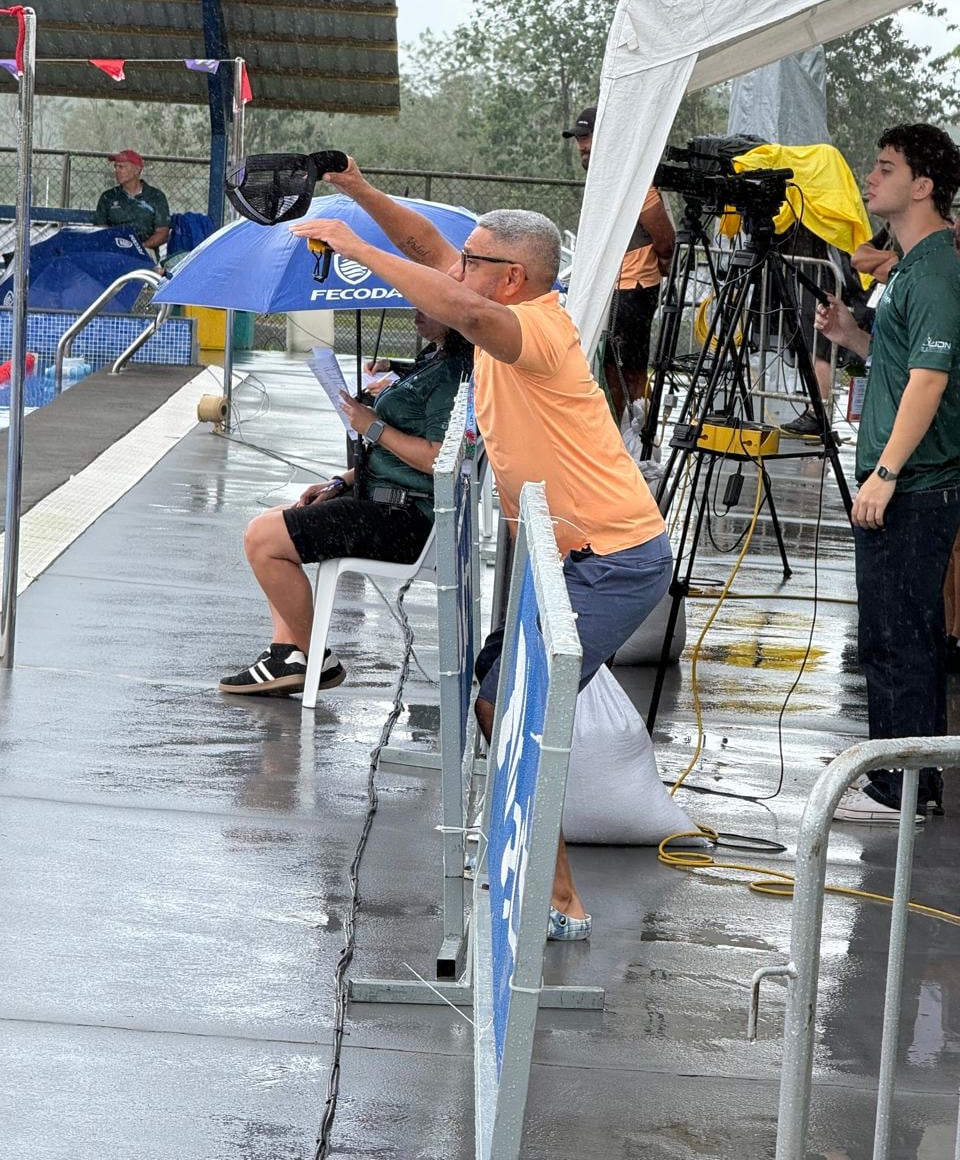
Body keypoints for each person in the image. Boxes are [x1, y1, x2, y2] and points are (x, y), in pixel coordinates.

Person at [291, 158, 672, 941]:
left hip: (612, 559)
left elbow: (456, 300)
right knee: (495, 693)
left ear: (512, 278)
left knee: (510, 701)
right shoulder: (498, 305)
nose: (455, 270)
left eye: (472, 263)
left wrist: (352, 248)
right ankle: (532, 865)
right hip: (565, 556)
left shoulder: (531, 329)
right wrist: (357, 190)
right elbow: (428, 250)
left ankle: (558, 896)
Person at [815, 123, 960, 823]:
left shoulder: (932, 271)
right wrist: (852, 336)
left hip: (917, 485)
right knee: (896, 635)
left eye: (886, 167)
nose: (871, 178)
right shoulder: (909, 265)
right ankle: (905, 780)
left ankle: (900, 790)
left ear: (923, 185)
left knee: (899, 639)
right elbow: (904, 363)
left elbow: (929, 381)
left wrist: (886, 472)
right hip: (909, 481)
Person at [218, 310, 473, 695]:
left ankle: (312, 657)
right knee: (274, 521)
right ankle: (287, 653)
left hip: (407, 519)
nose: (416, 310)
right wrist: (341, 481)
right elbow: (388, 456)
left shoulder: (453, 375)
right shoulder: (433, 360)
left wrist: (372, 425)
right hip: (386, 501)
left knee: (264, 538)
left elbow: (439, 458)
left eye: (428, 304)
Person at [563, 106, 675, 423]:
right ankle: (626, 429)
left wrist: (664, 262)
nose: (582, 145)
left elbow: (664, 237)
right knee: (610, 366)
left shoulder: (631, 176)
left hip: (633, 287)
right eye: (578, 139)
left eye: (587, 137)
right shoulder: (606, 177)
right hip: (611, 287)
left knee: (622, 371)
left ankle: (626, 433)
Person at [95, 150, 171, 254]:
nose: (117, 171)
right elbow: (100, 229)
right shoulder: (108, 197)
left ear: (137, 170)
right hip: (114, 250)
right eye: (115, 167)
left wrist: (141, 247)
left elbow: (162, 232)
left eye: (121, 167)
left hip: (145, 250)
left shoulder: (156, 197)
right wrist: (116, 247)